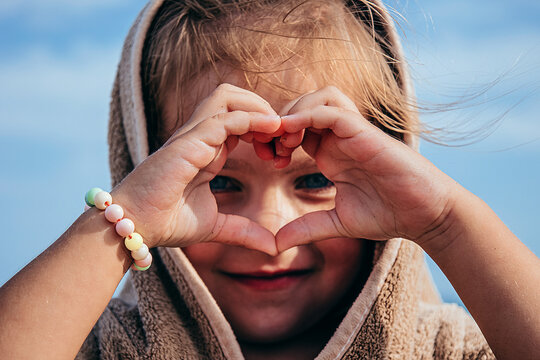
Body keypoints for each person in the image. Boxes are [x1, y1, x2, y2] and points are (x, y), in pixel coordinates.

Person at [0, 0, 538, 358]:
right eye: (219, 183)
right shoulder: (103, 347)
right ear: (138, 160)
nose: (270, 229)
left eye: (314, 182)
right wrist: (126, 219)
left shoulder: (451, 348)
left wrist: (447, 223)